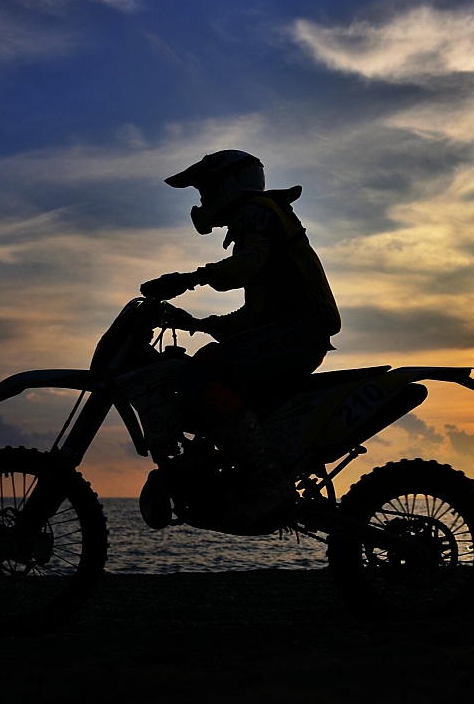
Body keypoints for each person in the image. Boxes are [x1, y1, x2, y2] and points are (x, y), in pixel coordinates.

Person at [140, 149, 341, 529]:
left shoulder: (258, 211)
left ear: (229, 184)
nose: (202, 201)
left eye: (205, 189)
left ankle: (268, 483)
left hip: (302, 331)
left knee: (200, 375)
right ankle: (219, 468)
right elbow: (255, 316)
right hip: (294, 331)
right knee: (211, 362)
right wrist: (195, 323)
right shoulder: (262, 217)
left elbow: (250, 265)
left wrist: (191, 278)